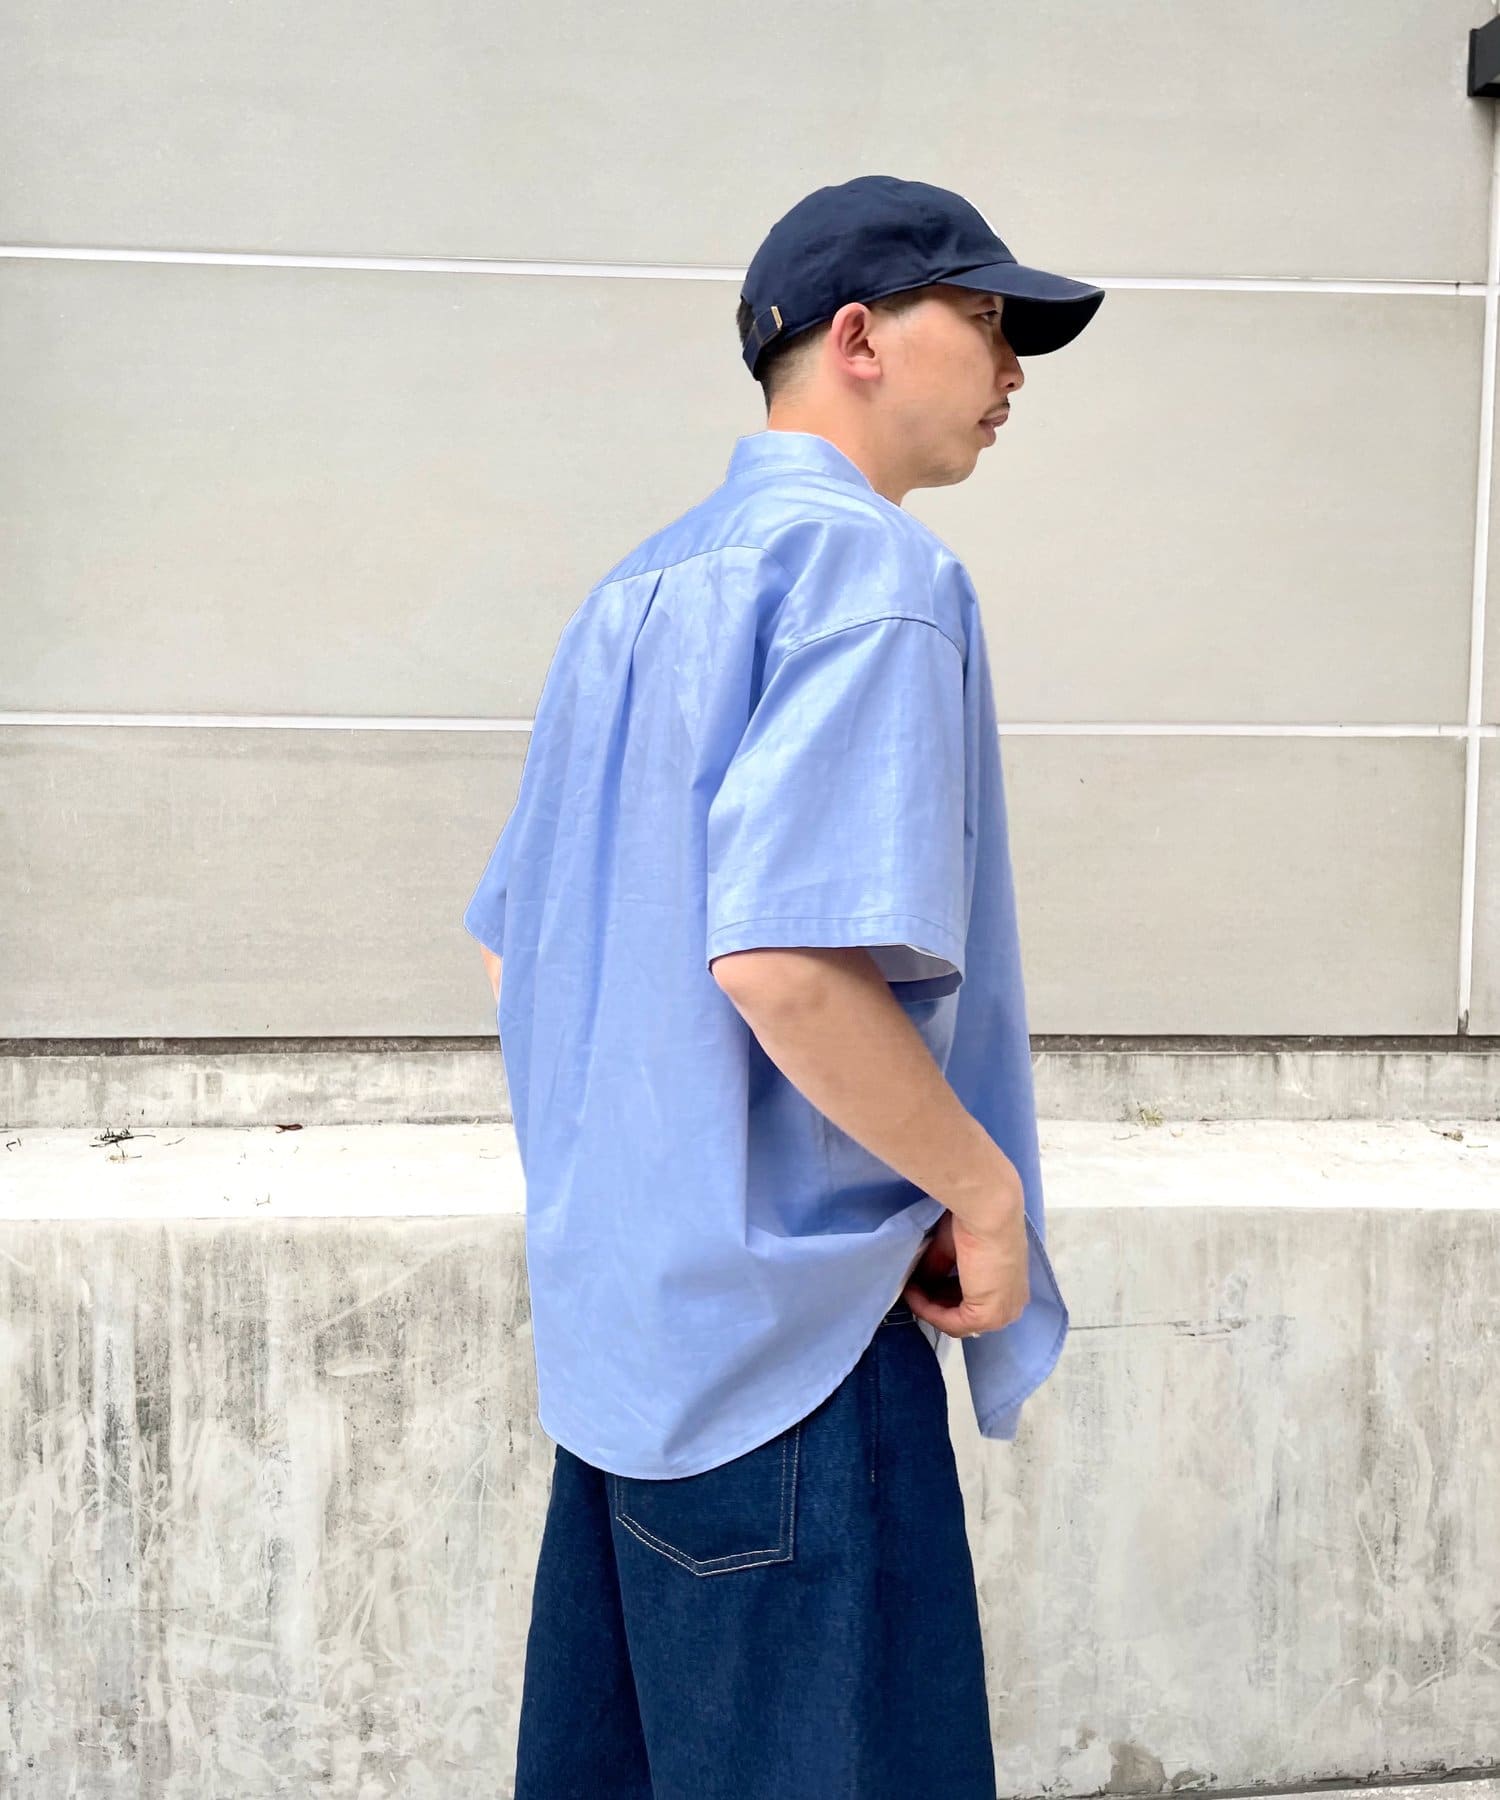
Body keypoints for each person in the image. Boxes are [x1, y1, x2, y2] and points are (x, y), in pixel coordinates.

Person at [462, 173, 1105, 1800]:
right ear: (859, 336)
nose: (1014, 367)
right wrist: (984, 1192)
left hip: (626, 1355)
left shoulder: (634, 591)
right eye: (987, 320)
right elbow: (784, 963)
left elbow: (513, 941)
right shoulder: (875, 577)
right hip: (797, 1358)